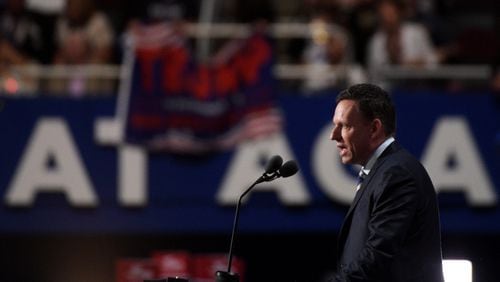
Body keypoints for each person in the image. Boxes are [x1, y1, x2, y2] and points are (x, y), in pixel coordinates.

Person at [329, 83, 444, 282]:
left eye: (345, 126)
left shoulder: (397, 174)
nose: (334, 136)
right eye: (335, 125)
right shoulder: (380, 172)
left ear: (374, 128)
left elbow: (378, 255)